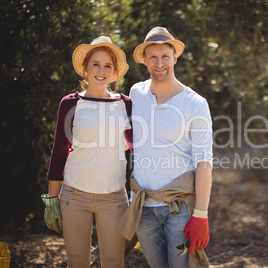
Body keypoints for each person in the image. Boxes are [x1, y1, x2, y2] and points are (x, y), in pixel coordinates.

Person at [117, 26, 213, 268]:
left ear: (175, 58)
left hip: (179, 208)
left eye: (165, 57)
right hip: (143, 207)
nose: (159, 63)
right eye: (153, 57)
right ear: (145, 61)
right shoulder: (136, 93)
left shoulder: (195, 103)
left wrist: (201, 215)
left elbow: (204, 162)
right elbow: (132, 137)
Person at [41, 36, 132, 268]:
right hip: (74, 196)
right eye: (96, 64)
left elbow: (137, 147)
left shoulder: (126, 104)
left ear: (114, 72)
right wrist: (52, 199)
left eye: (107, 66)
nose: (101, 71)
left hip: (113, 197)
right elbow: (59, 150)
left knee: (114, 263)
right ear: (85, 69)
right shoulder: (70, 103)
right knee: (78, 263)